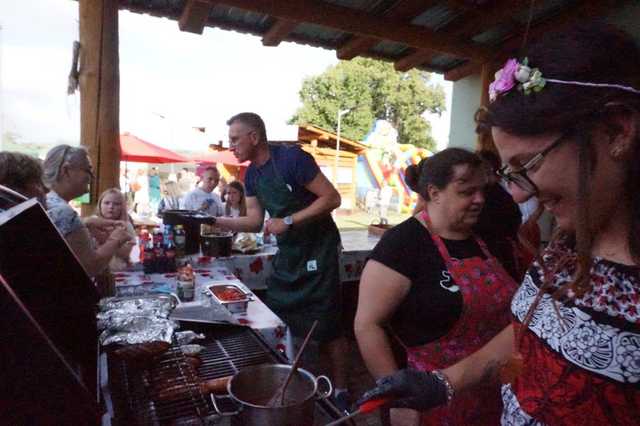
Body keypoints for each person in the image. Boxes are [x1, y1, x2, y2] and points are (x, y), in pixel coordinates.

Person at [359, 24, 640, 425]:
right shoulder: (564, 248)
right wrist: (445, 383)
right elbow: (528, 332)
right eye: (512, 174)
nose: (520, 196)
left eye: (527, 165)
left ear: (616, 130)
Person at [355, 148, 518, 426]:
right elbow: (367, 325)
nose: (479, 200)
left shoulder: (489, 238)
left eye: (482, 191)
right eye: (466, 192)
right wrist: (398, 398)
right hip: (431, 397)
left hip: (498, 390)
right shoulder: (404, 244)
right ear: (434, 192)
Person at [215, 112, 351, 410]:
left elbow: (332, 198)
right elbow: (253, 221)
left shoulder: (292, 160)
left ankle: (341, 389)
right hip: (289, 255)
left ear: (254, 136)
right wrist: (214, 220)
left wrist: (289, 219)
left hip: (320, 251)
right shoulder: (250, 175)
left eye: (235, 139)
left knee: (328, 325)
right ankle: (292, 380)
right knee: (281, 314)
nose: (232, 146)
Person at [43, 145, 133, 278]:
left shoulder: (48, 202)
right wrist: (115, 239)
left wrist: (85, 223)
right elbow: (90, 267)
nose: (92, 177)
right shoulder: (63, 212)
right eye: (88, 170)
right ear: (66, 170)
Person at [93, 188, 136, 272]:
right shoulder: (91, 223)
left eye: (116, 204)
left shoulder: (126, 225)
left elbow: (125, 253)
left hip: (119, 272)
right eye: (106, 203)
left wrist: (102, 237)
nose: (111, 207)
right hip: (96, 271)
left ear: (122, 207)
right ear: (100, 205)